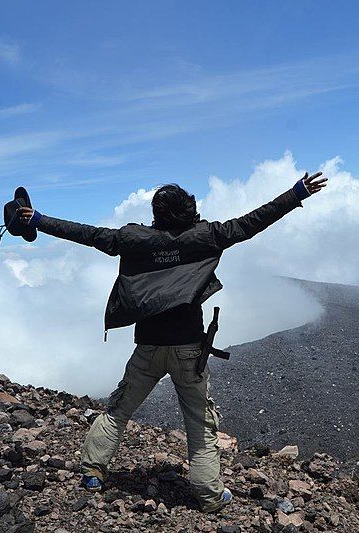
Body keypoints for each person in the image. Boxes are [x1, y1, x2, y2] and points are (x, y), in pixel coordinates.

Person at [18, 171, 327, 512]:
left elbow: (86, 234)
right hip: (189, 351)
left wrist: (39, 219)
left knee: (119, 409)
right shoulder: (206, 236)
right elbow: (253, 222)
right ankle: (209, 496)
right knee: (199, 423)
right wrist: (296, 192)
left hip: (148, 347)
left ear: (158, 213)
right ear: (188, 209)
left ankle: (93, 472)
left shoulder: (135, 239)